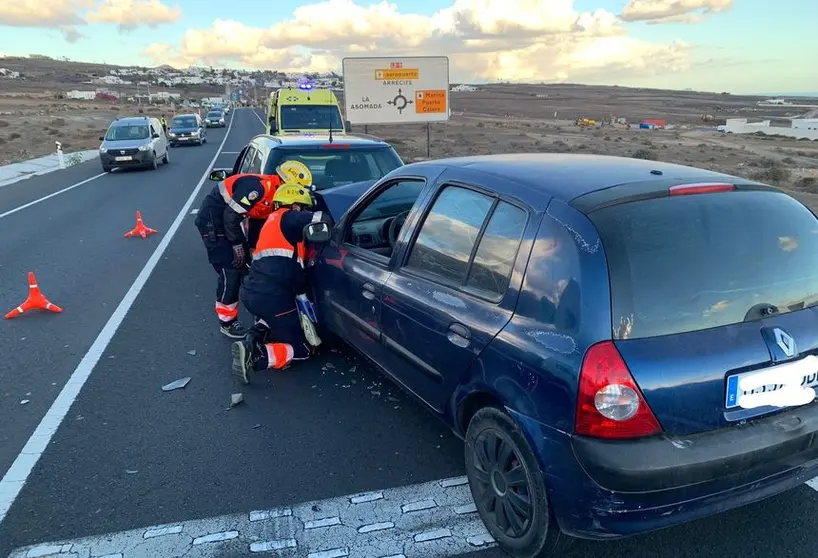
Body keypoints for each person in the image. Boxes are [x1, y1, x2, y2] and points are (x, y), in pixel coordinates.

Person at [194, 161, 311, 338]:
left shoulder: (278, 199)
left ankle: (259, 310)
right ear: (286, 183)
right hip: (214, 220)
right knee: (231, 269)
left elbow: (260, 223)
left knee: (250, 264)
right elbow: (230, 216)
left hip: (231, 221)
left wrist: (256, 251)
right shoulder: (258, 188)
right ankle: (227, 322)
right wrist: (238, 246)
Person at [231, 184, 331, 383]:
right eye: (304, 207)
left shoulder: (272, 222)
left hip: (253, 292)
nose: (304, 211)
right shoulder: (289, 217)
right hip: (272, 296)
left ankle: (253, 337)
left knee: (274, 320)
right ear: (295, 205)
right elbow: (322, 221)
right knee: (304, 349)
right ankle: (258, 356)